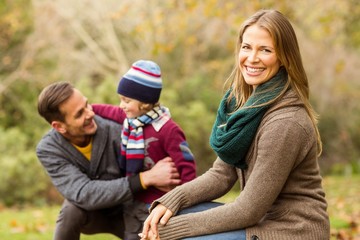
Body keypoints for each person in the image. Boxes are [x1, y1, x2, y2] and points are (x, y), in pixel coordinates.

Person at [140, 9, 330, 240]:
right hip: (260, 220)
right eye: (247, 47)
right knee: (168, 215)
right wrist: (173, 200)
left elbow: (248, 210)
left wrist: (174, 231)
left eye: (266, 50)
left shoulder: (286, 123)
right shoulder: (245, 107)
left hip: (290, 229)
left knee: (178, 233)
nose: (252, 58)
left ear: (283, 58)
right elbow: (221, 175)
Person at [36, 81, 182, 240]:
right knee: (71, 211)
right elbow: (83, 193)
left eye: (87, 105)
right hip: (93, 215)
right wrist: (145, 178)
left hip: (132, 210)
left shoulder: (117, 127)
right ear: (59, 127)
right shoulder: (49, 149)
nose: (90, 113)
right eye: (79, 114)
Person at [92, 60, 197, 239]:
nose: (121, 105)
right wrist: (87, 109)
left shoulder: (167, 129)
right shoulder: (130, 120)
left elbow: (187, 167)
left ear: (145, 103)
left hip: (158, 205)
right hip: (134, 199)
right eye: (120, 99)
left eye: (126, 100)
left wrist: (185, 202)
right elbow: (108, 111)